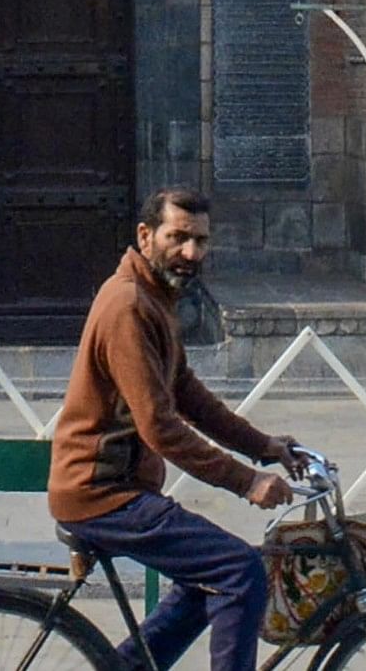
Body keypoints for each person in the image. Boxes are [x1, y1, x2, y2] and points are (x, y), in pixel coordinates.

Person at [51, 188, 301, 671]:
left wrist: (263, 447)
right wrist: (245, 481)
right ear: (146, 235)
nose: (191, 253)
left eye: (201, 241)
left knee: (206, 576)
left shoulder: (153, 297)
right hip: (102, 493)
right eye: (178, 237)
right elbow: (160, 427)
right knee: (239, 570)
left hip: (119, 488)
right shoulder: (128, 305)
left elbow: (186, 393)